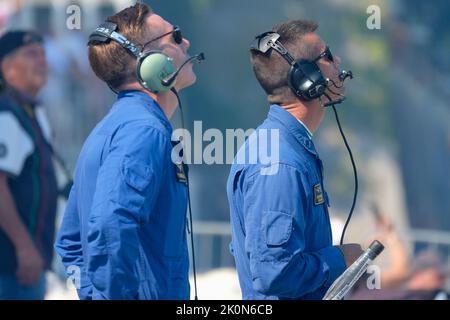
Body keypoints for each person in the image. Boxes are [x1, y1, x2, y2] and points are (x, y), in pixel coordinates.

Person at [55, 3, 199, 300]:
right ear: (150, 63)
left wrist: (93, 294)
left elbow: (70, 243)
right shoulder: (144, 132)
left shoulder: (113, 127)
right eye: (175, 37)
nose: (186, 42)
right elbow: (110, 224)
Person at [227, 19, 364, 299]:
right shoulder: (280, 163)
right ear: (306, 77)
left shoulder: (286, 148)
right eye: (326, 55)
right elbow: (273, 273)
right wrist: (341, 258)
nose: (337, 60)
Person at [0, 30, 58, 300]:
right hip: (11, 269)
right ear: (7, 68)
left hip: (26, 268)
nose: (42, 61)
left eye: (43, 55)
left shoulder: (32, 111)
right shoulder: (6, 114)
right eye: (31, 54)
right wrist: (24, 248)